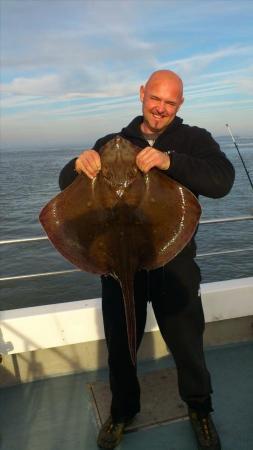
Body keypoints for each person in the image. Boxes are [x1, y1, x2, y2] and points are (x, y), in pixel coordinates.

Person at [59, 70, 235, 450]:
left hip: (174, 264)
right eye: (156, 98)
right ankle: (122, 412)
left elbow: (222, 181)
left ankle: (200, 410)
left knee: (188, 345)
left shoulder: (193, 139)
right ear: (142, 94)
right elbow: (66, 188)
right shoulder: (111, 142)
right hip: (119, 268)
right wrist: (78, 164)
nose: (161, 108)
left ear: (180, 104)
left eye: (170, 103)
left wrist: (170, 162)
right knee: (122, 349)